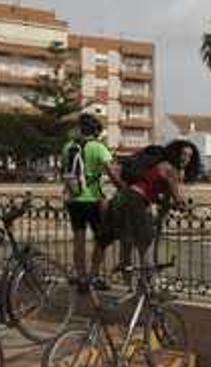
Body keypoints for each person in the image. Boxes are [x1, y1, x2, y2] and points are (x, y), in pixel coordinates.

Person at [93, 140, 200, 279]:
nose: (185, 159)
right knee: (146, 245)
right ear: (176, 153)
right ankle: (149, 287)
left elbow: (164, 198)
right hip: (136, 201)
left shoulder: (160, 165)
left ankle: (94, 277)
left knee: (112, 239)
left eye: (189, 156)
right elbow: (177, 199)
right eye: (183, 154)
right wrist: (188, 206)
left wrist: (164, 210)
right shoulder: (171, 169)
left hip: (123, 198)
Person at [62, 113, 122, 285]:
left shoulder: (68, 147)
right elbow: (111, 173)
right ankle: (93, 275)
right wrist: (123, 190)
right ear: (96, 131)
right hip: (94, 200)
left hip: (73, 199)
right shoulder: (98, 148)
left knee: (78, 239)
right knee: (101, 239)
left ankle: (80, 275)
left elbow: (66, 172)